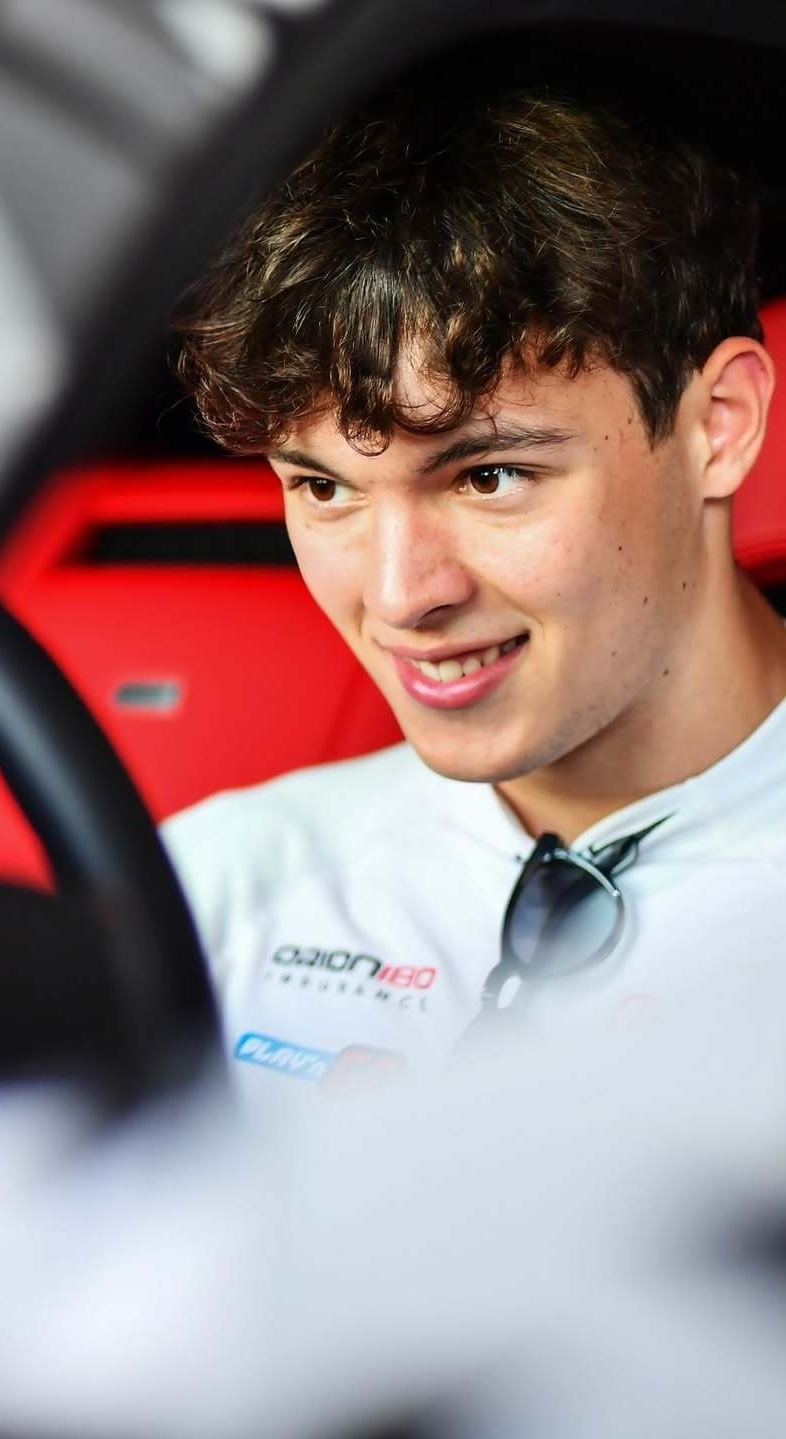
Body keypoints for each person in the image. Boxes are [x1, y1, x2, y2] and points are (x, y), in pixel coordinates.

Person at [161, 83, 786, 1097]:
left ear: (718, 424)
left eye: (489, 475)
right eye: (323, 488)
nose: (399, 595)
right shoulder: (217, 884)